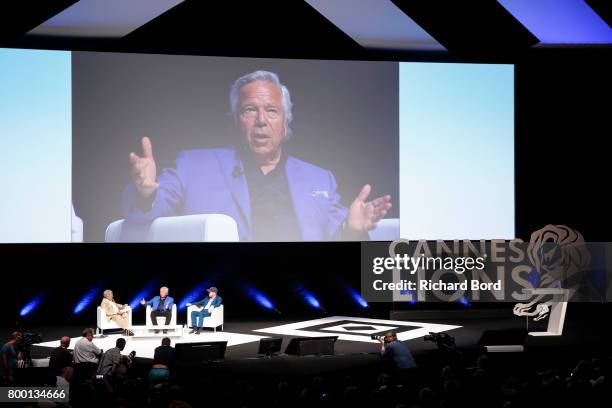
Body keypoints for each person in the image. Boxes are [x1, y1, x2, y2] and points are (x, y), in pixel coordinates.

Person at [124, 70, 392, 242]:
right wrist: (145, 193)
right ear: (235, 121)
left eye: (272, 111)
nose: (261, 121)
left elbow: (337, 239)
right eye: (250, 110)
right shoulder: (192, 165)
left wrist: (354, 229)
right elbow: (148, 213)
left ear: (286, 124)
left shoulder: (320, 179)